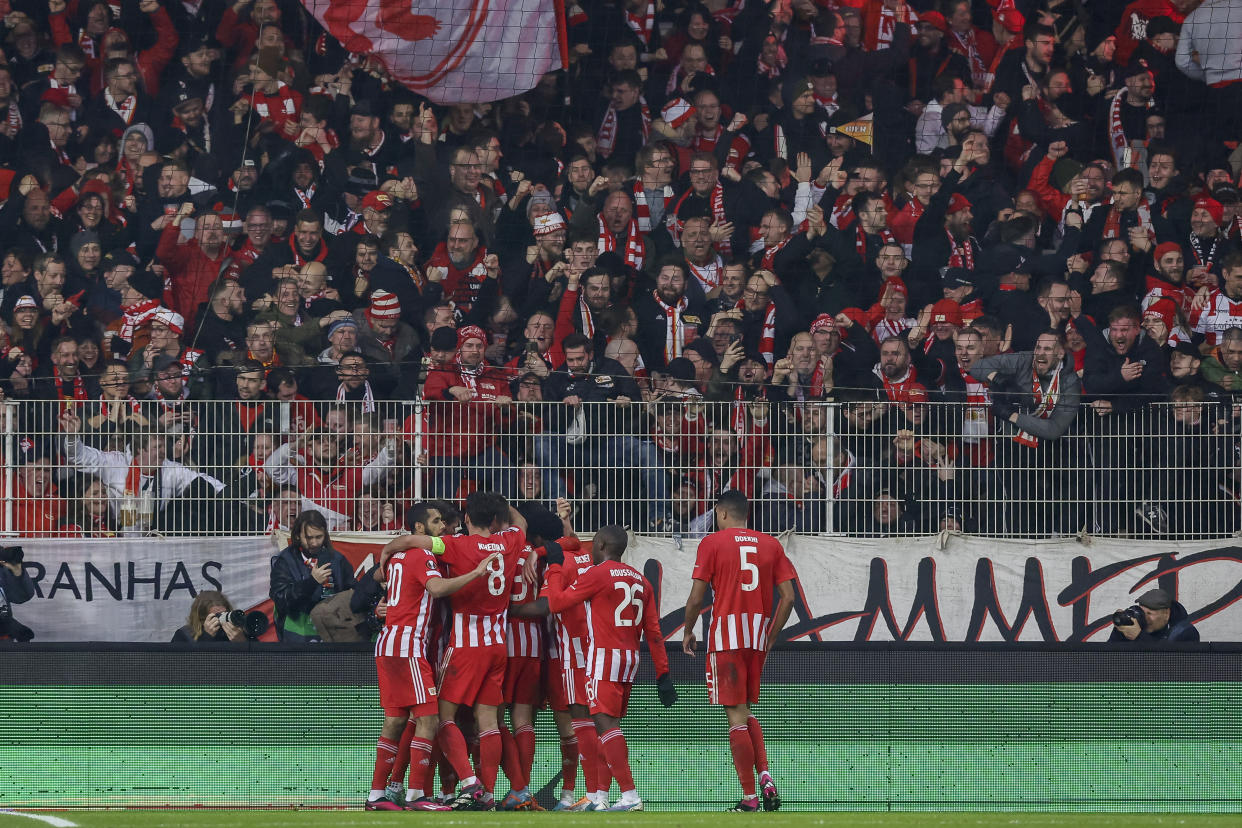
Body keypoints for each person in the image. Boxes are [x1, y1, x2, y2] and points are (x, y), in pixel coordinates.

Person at [383, 491, 527, 810]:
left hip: (465, 645)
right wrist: (503, 504)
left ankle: (466, 786)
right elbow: (521, 522)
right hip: (498, 645)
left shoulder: (456, 544)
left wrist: (389, 549)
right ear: (495, 520)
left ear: (464, 520)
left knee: (440, 717)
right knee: (488, 720)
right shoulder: (511, 542)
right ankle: (486, 794)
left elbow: (412, 543)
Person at [537, 524, 677, 811]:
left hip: (603, 657)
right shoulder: (641, 580)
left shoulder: (596, 574)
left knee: (605, 725)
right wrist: (663, 673)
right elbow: (653, 631)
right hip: (630, 660)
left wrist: (553, 568)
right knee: (609, 729)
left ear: (600, 545)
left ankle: (630, 795)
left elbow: (558, 602)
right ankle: (599, 797)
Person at [363, 528, 504, 811]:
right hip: (408, 647)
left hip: (390, 644)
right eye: (436, 521)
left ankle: (377, 795)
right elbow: (437, 588)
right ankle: (417, 795)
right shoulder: (423, 555)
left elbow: (381, 579)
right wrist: (476, 572)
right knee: (429, 719)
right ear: (420, 530)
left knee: (396, 720)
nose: (441, 528)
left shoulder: (399, 558)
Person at [681, 491, 797, 812]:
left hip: (726, 639)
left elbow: (695, 598)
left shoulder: (712, 543)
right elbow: (788, 598)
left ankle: (749, 798)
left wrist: (689, 630)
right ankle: (765, 776)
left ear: (721, 514)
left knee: (734, 716)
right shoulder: (771, 545)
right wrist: (770, 637)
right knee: (745, 712)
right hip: (756, 639)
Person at [268, 510, 359, 642]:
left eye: (319, 537)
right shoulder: (285, 561)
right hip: (298, 635)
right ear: (298, 535)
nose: (315, 543)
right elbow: (280, 599)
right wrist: (312, 582)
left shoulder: (338, 560)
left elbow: (352, 591)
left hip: (334, 632)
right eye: (309, 538)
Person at [1108, 587, 1200, 642]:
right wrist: (1120, 629)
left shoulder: (1185, 632)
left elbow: (1170, 665)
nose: (1145, 617)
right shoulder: (1137, 623)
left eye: (1149, 613)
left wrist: (1139, 637)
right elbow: (1107, 660)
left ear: (1166, 614)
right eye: (1142, 612)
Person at [171, 590, 247, 643]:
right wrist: (206, 638)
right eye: (216, 616)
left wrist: (242, 643)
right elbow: (179, 664)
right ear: (201, 618)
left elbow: (256, 662)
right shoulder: (184, 635)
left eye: (224, 614)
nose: (220, 620)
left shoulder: (238, 632)